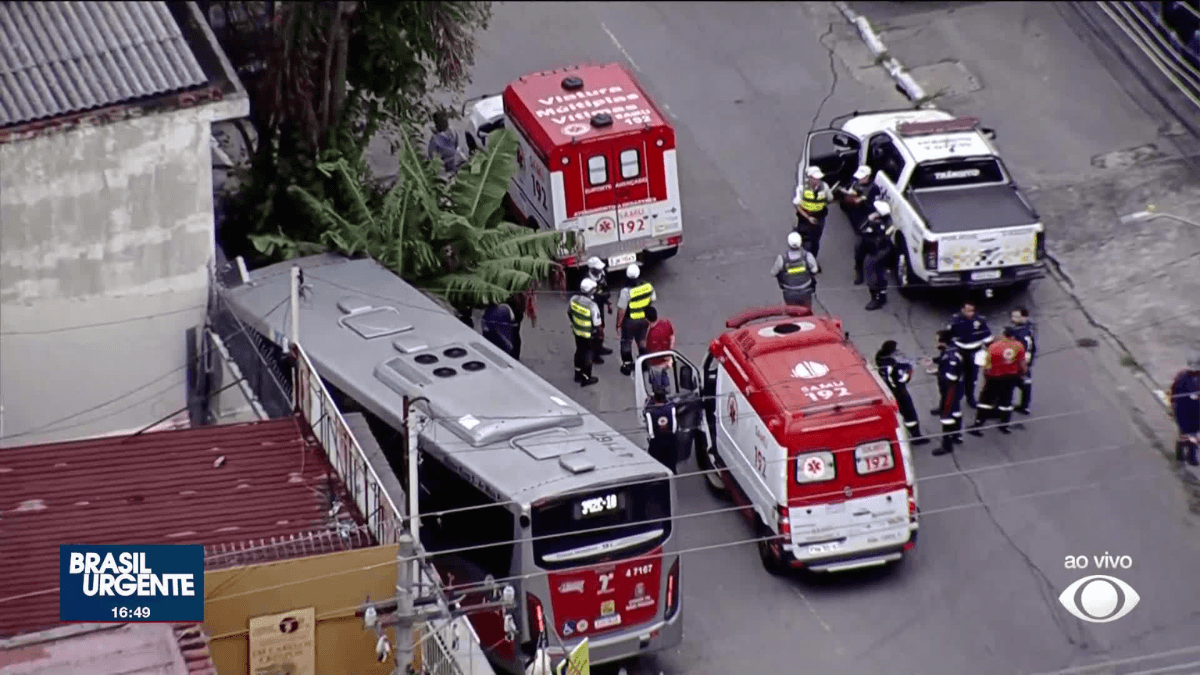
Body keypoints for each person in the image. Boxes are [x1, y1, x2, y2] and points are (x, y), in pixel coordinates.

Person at [967, 327, 1027, 436]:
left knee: (985, 401)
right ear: (1013, 336)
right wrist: (1022, 374)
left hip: (994, 378)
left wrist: (986, 375)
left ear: (1003, 335)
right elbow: (1022, 364)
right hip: (1011, 377)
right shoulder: (1019, 346)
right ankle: (1004, 424)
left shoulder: (994, 347)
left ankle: (978, 424)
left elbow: (987, 366)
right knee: (1007, 400)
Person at [876, 341, 929, 445]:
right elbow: (902, 379)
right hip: (899, 391)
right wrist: (908, 370)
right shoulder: (892, 364)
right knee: (909, 413)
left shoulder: (880, 358)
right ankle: (916, 436)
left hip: (888, 391)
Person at [947, 301, 994, 408]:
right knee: (955, 377)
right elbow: (949, 338)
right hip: (960, 352)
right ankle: (953, 399)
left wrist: (991, 353)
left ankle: (970, 398)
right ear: (962, 310)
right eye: (967, 310)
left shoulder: (980, 321)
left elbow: (987, 337)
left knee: (972, 377)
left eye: (972, 311)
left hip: (975, 352)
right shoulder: (955, 321)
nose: (970, 313)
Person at [926, 329, 965, 456]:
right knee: (955, 410)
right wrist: (934, 360)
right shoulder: (950, 349)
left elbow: (951, 376)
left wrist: (937, 372)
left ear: (943, 341)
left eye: (937, 339)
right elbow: (943, 358)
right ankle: (957, 435)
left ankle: (947, 445)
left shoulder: (952, 357)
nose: (935, 342)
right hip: (953, 387)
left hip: (951, 388)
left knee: (948, 416)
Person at [616, 264, 656, 376]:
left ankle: (627, 365)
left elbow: (622, 310)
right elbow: (652, 299)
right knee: (642, 341)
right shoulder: (648, 286)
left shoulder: (626, 292)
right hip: (643, 319)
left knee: (626, 342)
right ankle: (645, 364)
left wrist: (618, 325)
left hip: (630, 321)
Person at [770, 232, 820, 309]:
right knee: (806, 312)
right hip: (806, 290)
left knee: (792, 313)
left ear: (789, 244)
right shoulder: (807, 256)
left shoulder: (782, 259)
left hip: (789, 291)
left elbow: (773, 273)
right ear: (800, 243)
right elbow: (814, 270)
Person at [793, 166, 834, 259]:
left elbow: (830, 199)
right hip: (805, 219)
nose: (818, 180)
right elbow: (797, 205)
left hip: (819, 218)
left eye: (819, 178)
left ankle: (812, 261)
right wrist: (808, 217)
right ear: (810, 178)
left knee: (815, 241)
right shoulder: (802, 187)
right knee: (804, 240)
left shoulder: (825, 187)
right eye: (815, 178)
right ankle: (802, 258)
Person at [568, 278, 603, 386]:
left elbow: (569, 312)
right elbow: (598, 324)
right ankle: (586, 377)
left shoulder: (573, 299)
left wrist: (575, 323)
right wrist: (600, 335)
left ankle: (577, 374)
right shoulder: (592, 306)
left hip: (577, 331)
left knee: (579, 351)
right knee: (588, 354)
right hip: (588, 334)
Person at [862, 201, 896, 311]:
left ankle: (875, 299)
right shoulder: (888, 222)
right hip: (884, 251)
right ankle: (882, 295)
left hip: (877, 252)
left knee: (870, 271)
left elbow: (864, 231)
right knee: (880, 273)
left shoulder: (881, 225)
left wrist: (870, 223)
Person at [1170, 352, 1200, 466]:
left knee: (1195, 433)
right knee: (1185, 433)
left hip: (1196, 410)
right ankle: (1181, 452)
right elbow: (1175, 393)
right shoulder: (1181, 377)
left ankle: (1192, 456)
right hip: (1183, 410)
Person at [1008, 306, 1037, 414]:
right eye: (1012, 316)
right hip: (1026, 361)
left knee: (1009, 383)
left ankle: (1004, 406)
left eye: (1016, 317)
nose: (1013, 319)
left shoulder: (1018, 333)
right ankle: (1025, 406)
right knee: (1026, 383)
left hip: (1018, 363)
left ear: (1024, 318)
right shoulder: (1029, 327)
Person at [586, 257, 615, 360]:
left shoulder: (602, 274)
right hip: (592, 307)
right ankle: (594, 354)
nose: (600, 270)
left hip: (600, 305)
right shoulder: (587, 280)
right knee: (594, 330)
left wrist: (608, 302)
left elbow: (605, 288)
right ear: (592, 269)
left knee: (601, 326)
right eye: (597, 268)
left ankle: (599, 347)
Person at [644, 388, 680, 472]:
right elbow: (674, 425)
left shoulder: (650, 410)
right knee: (671, 463)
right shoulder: (671, 407)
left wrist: (652, 438)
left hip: (656, 441)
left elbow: (650, 429)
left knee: (657, 466)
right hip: (670, 440)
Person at [643, 306, 676, 394]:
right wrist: (669, 354)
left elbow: (650, 351)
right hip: (667, 360)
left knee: (657, 385)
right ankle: (667, 390)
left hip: (656, 364)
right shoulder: (666, 323)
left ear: (646, 318)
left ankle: (660, 398)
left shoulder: (651, 335)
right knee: (664, 376)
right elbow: (672, 337)